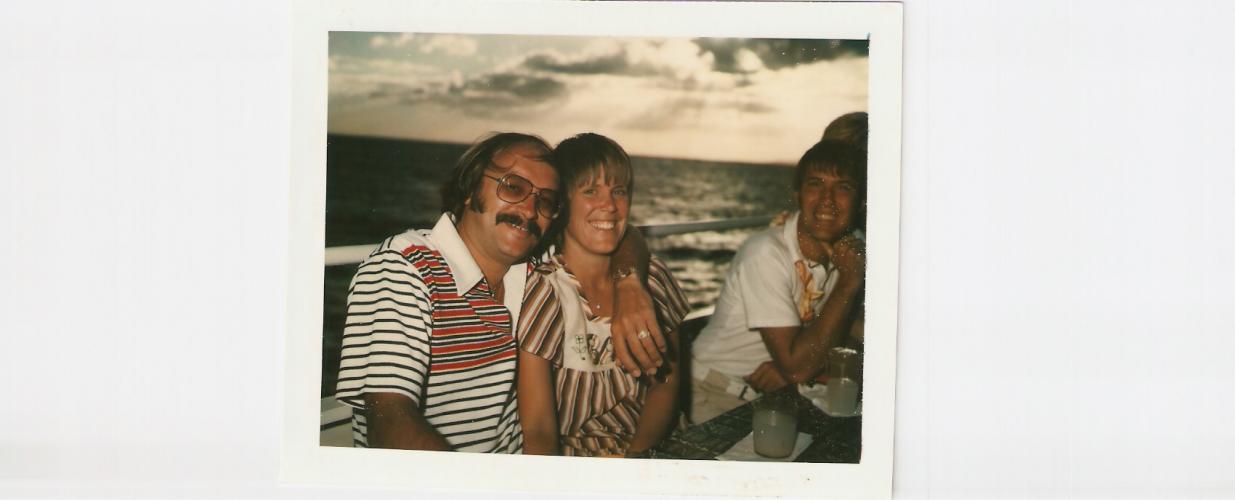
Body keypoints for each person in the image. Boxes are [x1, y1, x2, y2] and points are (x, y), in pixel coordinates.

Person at [333, 132, 658, 452]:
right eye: (513, 187)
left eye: (545, 201)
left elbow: (622, 235)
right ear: (470, 189)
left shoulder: (531, 267)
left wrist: (629, 285)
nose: (530, 210)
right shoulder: (407, 267)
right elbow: (390, 419)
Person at [517, 133, 690, 457]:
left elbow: (665, 388)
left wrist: (636, 460)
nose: (609, 205)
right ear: (562, 204)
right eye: (590, 191)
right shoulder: (546, 293)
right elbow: (538, 429)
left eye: (619, 191)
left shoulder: (653, 279)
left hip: (651, 449)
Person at [689, 139, 867, 423]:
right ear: (798, 194)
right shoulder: (765, 254)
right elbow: (798, 367)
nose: (828, 199)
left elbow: (861, 333)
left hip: (781, 391)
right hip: (715, 391)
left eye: (843, 187)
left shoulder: (854, 250)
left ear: (861, 202)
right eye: (815, 184)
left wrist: (797, 367)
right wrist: (848, 283)